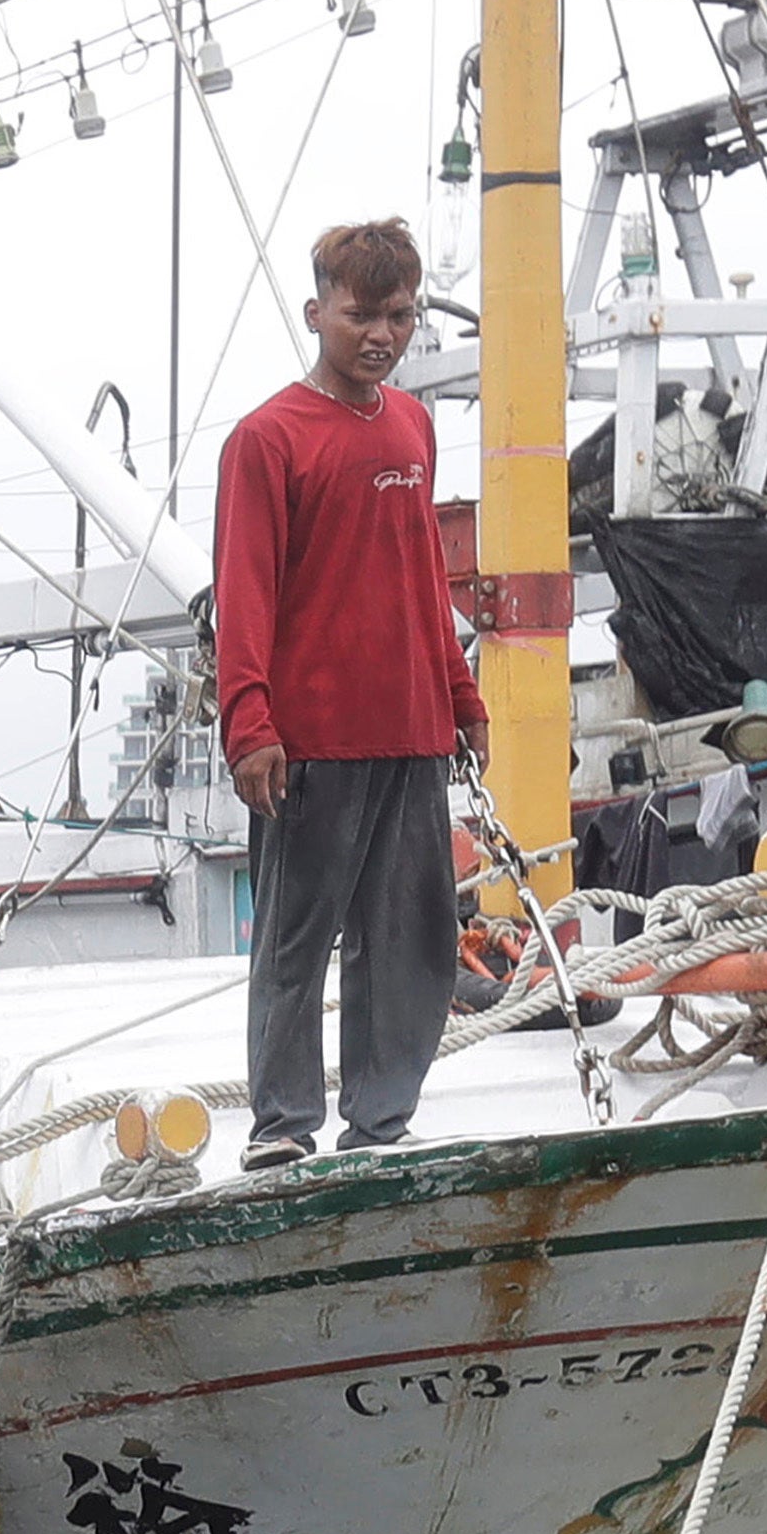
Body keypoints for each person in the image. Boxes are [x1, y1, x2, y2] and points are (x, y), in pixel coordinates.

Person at [214, 216, 473, 1168]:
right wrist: (250, 724)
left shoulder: (413, 426)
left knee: (411, 943)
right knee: (295, 941)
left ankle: (380, 1125)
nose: (383, 336)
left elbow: (426, 582)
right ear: (317, 310)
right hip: (309, 742)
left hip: (412, 731)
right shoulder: (266, 438)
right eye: (363, 315)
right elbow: (244, 593)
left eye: (401, 316)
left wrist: (464, 698)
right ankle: (282, 1128)